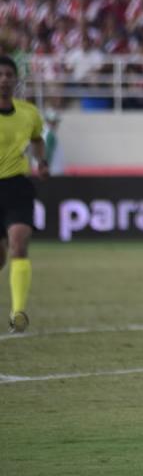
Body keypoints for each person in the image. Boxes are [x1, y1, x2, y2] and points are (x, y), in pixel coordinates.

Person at [0, 56, 49, 333]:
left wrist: (41, 163)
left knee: (19, 243)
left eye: (9, 74)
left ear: (15, 80)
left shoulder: (28, 113)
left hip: (17, 187)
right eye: (0, 74)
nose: (4, 79)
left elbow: (37, 139)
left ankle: (18, 313)